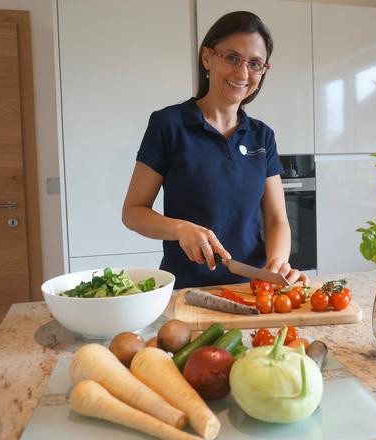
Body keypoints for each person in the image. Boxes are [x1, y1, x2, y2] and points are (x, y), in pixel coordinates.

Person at [122, 11, 308, 289]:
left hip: (252, 287)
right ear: (207, 57)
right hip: (187, 289)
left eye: (255, 64)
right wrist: (181, 228)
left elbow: (277, 218)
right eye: (232, 58)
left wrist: (278, 261)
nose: (243, 73)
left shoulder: (262, 136)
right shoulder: (169, 124)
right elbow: (133, 212)